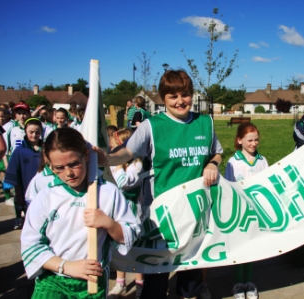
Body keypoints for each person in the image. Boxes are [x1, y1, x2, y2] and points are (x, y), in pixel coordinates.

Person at [95, 69, 223, 299]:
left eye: (184, 94)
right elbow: (127, 152)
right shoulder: (151, 126)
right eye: (172, 96)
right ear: (163, 99)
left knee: (190, 275)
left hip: (196, 213)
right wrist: (106, 158)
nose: (179, 101)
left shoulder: (205, 123)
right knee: (156, 280)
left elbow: (217, 153)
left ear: (191, 95)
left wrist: (213, 164)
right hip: (163, 216)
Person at [20, 127, 140, 298]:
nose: (68, 173)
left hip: (92, 281)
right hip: (52, 279)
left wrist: (108, 223)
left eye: (74, 163)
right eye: (59, 167)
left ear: (86, 155)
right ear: (50, 165)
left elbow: (130, 233)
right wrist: (66, 266)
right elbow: (30, 244)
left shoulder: (107, 192)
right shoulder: (47, 196)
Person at [224, 123, 268, 299]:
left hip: (256, 212)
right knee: (240, 249)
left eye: (256, 139)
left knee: (252, 248)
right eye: (250, 140)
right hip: (240, 213)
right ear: (239, 140)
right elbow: (228, 187)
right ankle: (238, 283)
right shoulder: (233, 162)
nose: (254, 143)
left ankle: (249, 282)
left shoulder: (262, 161)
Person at [107, 128, 145, 299]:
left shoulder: (137, 165)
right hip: (117, 211)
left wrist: (117, 165)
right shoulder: (122, 165)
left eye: (115, 147)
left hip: (133, 210)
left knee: (135, 250)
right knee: (120, 248)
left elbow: (123, 182)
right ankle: (120, 283)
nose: (112, 151)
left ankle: (140, 284)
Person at [5, 118, 43, 229]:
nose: (34, 135)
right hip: (25, 186)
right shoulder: (20, 151)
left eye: (37, 132)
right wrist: (18, 192)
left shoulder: (46, 149)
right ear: (26, 131)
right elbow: (14, 173)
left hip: (43, 188)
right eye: (31, 132)